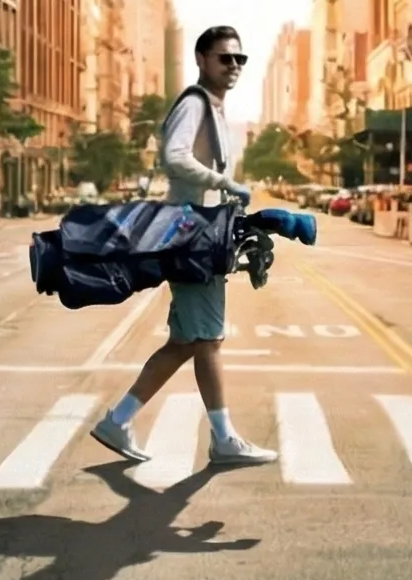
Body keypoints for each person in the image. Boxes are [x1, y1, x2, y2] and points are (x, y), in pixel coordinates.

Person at [88, 25, 277, 466]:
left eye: (239, 59)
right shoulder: (194, 103)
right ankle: (224, 439)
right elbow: (174, 156)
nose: (233, 66)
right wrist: (224, 181)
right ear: (202, 60)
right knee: (206, 339)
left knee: (189, 341)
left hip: (199, 235)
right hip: (191, 237)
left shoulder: (213, 110)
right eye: (224, 58)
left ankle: (119, 421)